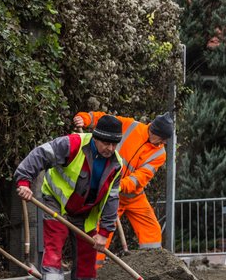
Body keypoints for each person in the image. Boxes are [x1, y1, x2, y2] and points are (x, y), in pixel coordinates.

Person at [14, 115, 123, 280]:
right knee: (55, 243)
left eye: (114, 144)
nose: (110, 149)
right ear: (95, 137)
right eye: (106, 143)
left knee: (88, 252)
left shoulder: (116, 165)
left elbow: (112, 199)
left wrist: (104, 233)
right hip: (56, 203)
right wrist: (24, 181)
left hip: (85, 213)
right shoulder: (72, 144)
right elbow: (40, 154)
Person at [72, 111, 173, 259]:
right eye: (163, 139)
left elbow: (140, 178)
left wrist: (117, 185)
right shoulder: (130, 126)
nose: (163, 143)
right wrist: (85, 119)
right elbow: (104, 120)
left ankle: (152, 265)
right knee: (101, 233)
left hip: (133, 196)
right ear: (153, 131)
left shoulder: (159, 154)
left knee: (151, 230)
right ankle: (93, 272)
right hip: (110, 195)